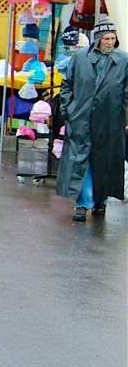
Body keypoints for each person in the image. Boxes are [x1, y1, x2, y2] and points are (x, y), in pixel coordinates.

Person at [55, 18, 126, 221]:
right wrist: (68, 110)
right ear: (97, 39)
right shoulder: (79, 58)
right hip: (82, 119)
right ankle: (82, 203)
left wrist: (124, 116)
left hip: (110, 121)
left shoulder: (123, 60)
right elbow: (67, 85)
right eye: (106, 39)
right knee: (81, 160)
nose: (110, 42)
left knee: (103, 161)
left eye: (113, 38)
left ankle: (100, 201)